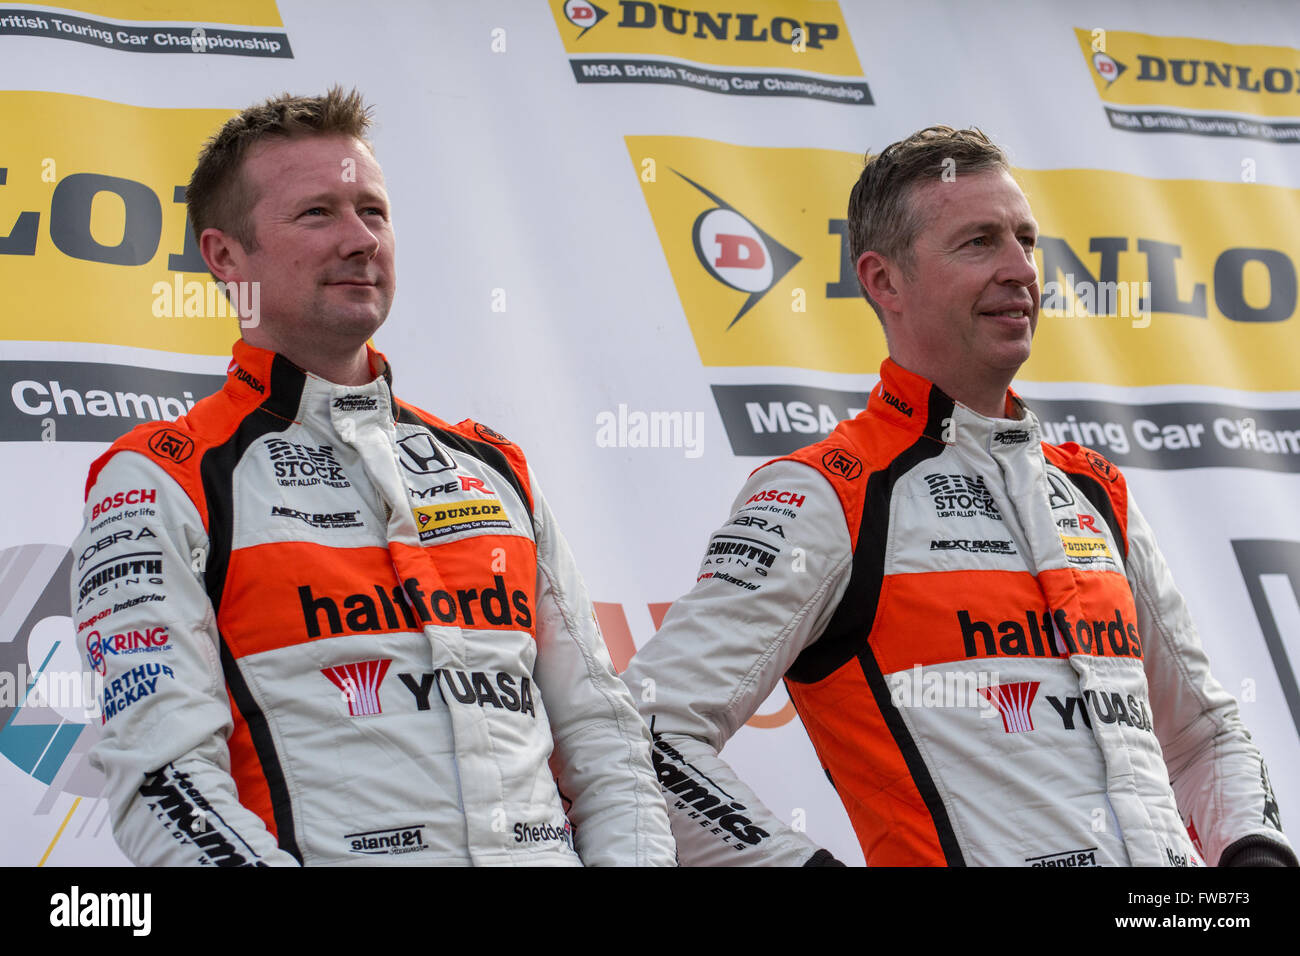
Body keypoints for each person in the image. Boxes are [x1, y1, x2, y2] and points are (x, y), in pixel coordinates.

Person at [621, 126, 1296, 867]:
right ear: (884, 281)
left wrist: (1253, 860)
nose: (1021, 270)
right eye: (979, 243)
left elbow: (1204, 738)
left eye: (1026, 240)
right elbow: (643, 731)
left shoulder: (1093, 492)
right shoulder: (830, 493)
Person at [70, 88, 676, 866]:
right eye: (317, 213)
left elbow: (606, 739)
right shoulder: (163, 477)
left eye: (375, 212)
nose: (360, 240)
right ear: (225, 257)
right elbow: (165, 776)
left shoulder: (488, 468)